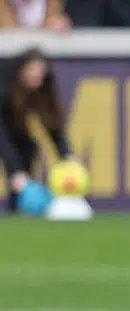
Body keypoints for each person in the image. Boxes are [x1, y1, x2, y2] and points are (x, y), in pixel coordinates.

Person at [0, 48, 77, 210]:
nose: (36, 76)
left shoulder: (44, 86)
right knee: (18, 172)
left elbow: (53, 124)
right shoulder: (4, 87)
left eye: (40, 72)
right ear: (21, 70)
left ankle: (18, 208)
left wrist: (67, 156)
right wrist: (15, 171)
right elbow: (3, 136)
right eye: (32, 71)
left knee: (28, 146)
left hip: (16, 134)